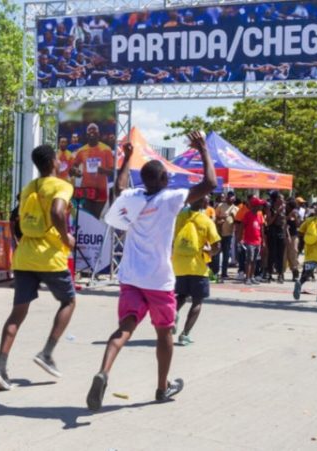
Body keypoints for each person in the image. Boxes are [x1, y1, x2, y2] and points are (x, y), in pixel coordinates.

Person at [87, 131, 216, 411]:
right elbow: (210, 183)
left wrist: (127, 159)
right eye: (165, 176)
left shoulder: (133, 197)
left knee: (125, 328)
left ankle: (104, 372)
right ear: (162, 180)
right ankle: (161, 388)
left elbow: (118, 189)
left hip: (131, 277)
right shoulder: (171, 198)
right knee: (164, 332)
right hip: (158, 280)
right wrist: (203, 149)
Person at [0, 145, 77, 390]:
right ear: (54, 162)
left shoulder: (28, 188)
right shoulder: (62, 186)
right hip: (49, 257)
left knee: (17, 313)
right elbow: (58, 212)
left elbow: (15, 217)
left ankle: (0, 367)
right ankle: (47, 353)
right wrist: (65, 237)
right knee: (68, 301)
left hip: (24, 256)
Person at [172, 195, 221, 346]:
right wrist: (209, 252)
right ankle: (185, 334)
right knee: (197, 301)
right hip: (198, 266)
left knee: (181, 294)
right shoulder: (206, 220)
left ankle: (172, 313)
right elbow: (216, 246)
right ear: (203, 203)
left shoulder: (180, 216)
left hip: (179, 264)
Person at [74, 123, 114, 219]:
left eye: (94, 130)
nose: (92, 132)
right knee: (87, 218)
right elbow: (74, 167)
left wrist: (104, 171)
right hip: (86, 190)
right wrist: (77, 172)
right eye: (89, 131)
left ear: (98, 134)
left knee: (95, 218)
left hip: (101, 191)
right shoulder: (81, 151)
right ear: (87, 135)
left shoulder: (106, 150)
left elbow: (112, 172)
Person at [241, 196, 267, 285]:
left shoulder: (260, 215)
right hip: (249, 241)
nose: (262, 206)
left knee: (255, 260)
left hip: (257, 241)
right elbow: (242, 227)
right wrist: (241, 238)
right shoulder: (247, 215)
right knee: (249, 259)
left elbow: (261, 228)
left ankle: (252, 277)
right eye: (260, 205)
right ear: (255, 205)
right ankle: (247, 278)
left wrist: (263, 241)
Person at [215, 192, 239, 282]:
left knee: (226, 254)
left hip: (228, 234)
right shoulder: (221, 205)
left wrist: (234, 216)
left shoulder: (236, 208)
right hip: (219, 233)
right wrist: (220, 217)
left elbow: (238, 221)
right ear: (227, 198)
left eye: (233, 198)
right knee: (216, 253)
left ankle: (224, 273)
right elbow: (215, 216)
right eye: (230, 197)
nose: (231, 199)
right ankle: (216, 271)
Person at [265, 192, 288, 283]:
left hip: (281, 232)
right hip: (272, 231)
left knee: (281, 254)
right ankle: (269, 273)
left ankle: (280, 274)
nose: (282, 199)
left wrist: (287, 234)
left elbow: (285, 222)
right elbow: (269, 222)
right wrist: (277, 212)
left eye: (283, 198)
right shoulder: (270, 208)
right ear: (276, 199)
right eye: (280, 198)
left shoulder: (284, 209)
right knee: (272, 254)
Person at [285, 199, 302, 281]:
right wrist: (289, 216)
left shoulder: (296, 213)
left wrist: (295, 217)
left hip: (294, 236)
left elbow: (298, 225)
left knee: (293, 253)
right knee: (284, 255)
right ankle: (281, 273)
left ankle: (295, 272)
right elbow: (284, 222)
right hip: (284, 236)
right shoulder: (285, 212)